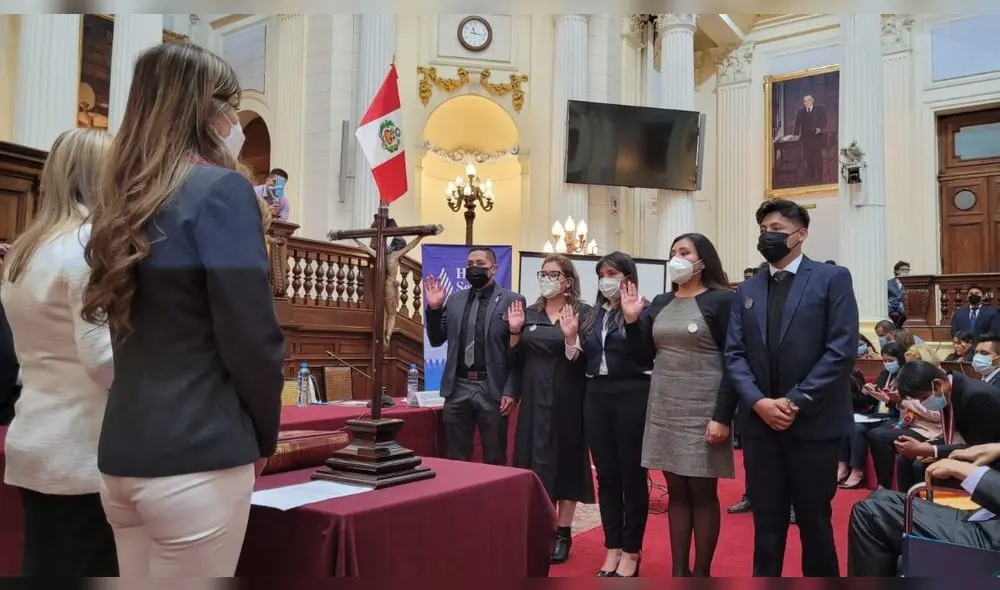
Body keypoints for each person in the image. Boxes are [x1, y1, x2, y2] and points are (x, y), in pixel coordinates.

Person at [81, 42, 286, 577]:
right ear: (206, 109)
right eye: (232, 107)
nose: (235, 121)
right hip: (200, 453)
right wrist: (264, 436)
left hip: (123, 456)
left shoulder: (120, 197)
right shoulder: (220, 190)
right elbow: (252, 339)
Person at [1, 129, 117, 576]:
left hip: (36, 435)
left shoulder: (26, 249)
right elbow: (103, 361)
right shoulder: (88, 246)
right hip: (83, 448)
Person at [724, 198, 859, 577]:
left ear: (800, 235)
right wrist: (759, 402)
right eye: (764, 229)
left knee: (814, 522)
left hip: (814, 424)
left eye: (777, 230)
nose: (768, 236)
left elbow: (841, 350)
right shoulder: (747, 288)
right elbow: (734, 354)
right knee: (766, 524)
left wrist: (795, 401)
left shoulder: (832, 278)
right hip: (761, 426)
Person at [622, 233, 736, 577]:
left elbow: (735, 362)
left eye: (684, 252)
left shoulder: (722, 300)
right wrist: (631, 321)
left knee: (701, 491)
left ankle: (701, 573)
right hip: (665, 405)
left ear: (703, 260)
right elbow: (642, 357)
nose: (676, 258)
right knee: (676, 492)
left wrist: (722, 416)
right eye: (672, 252)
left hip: (704, 407)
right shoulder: (659, 301)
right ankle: (679, 572)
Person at [504, 254, 593, 564]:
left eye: (553, 274)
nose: (546, 278)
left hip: (569, 397)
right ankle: (538, 526)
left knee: (566, 462)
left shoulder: (583, 312)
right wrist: (515, 332)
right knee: (532, 460)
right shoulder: (528, 313)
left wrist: (571, 338)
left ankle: (562, 533)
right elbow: (514, 362)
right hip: (532, 398)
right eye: (543, 273)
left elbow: (590, 360)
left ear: (567, 281)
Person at [573, 252, 652, 577]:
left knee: (632, 477)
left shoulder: (643, 311)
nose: (607, 279)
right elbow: (582, 361)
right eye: (602, 273)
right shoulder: (592, 315)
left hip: (631, 394)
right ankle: (612, 547)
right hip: (596, 396)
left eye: (614, 273)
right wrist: (569, 339)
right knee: (606, 476)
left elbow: (645, 357)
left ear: (627, 277)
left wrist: (632, 321)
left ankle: (631, 551)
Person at [423, 247, 524, 465]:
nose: (473, 268)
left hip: (492, 388)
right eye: (469, 264)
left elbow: (518, 355)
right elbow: (436, 339)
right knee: (456, 457)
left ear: (493, 269)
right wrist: (434, 308)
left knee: (494, 456)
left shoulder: (512, 301)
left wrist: (511, 391)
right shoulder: (454, 300)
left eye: (479, 263)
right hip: (458, 387)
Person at [847, 444, 1000, 577]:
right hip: (989, 517)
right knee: (880, 497)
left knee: (868, 514)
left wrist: (971, 472)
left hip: (992, 540)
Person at [839, 343, 904, 489]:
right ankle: (842, 467)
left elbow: (904, 403)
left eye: (890, 360)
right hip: (876, 414)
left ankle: (857, 471)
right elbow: (870, 401)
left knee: (858, 429)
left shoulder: (905, 375)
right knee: (847, 422)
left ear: (900, 359)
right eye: (885, 360)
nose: (887, 364)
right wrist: (867, 392)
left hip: (894, 416)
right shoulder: (885, 374)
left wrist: (887, 399)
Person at [792, 94, 828, 184]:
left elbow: (824, 120)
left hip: (816, 137)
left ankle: (819, 177)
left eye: (808, 100)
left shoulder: (819, 109)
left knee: (817, 157)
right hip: (806, 138)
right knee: (808, 158)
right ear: (803, 103)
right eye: (805, 101)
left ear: (812, 100)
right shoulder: (801, 112)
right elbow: (797, 124)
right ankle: (811, 177)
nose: (807, 102)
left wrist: (820, 128)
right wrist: (796, 134)